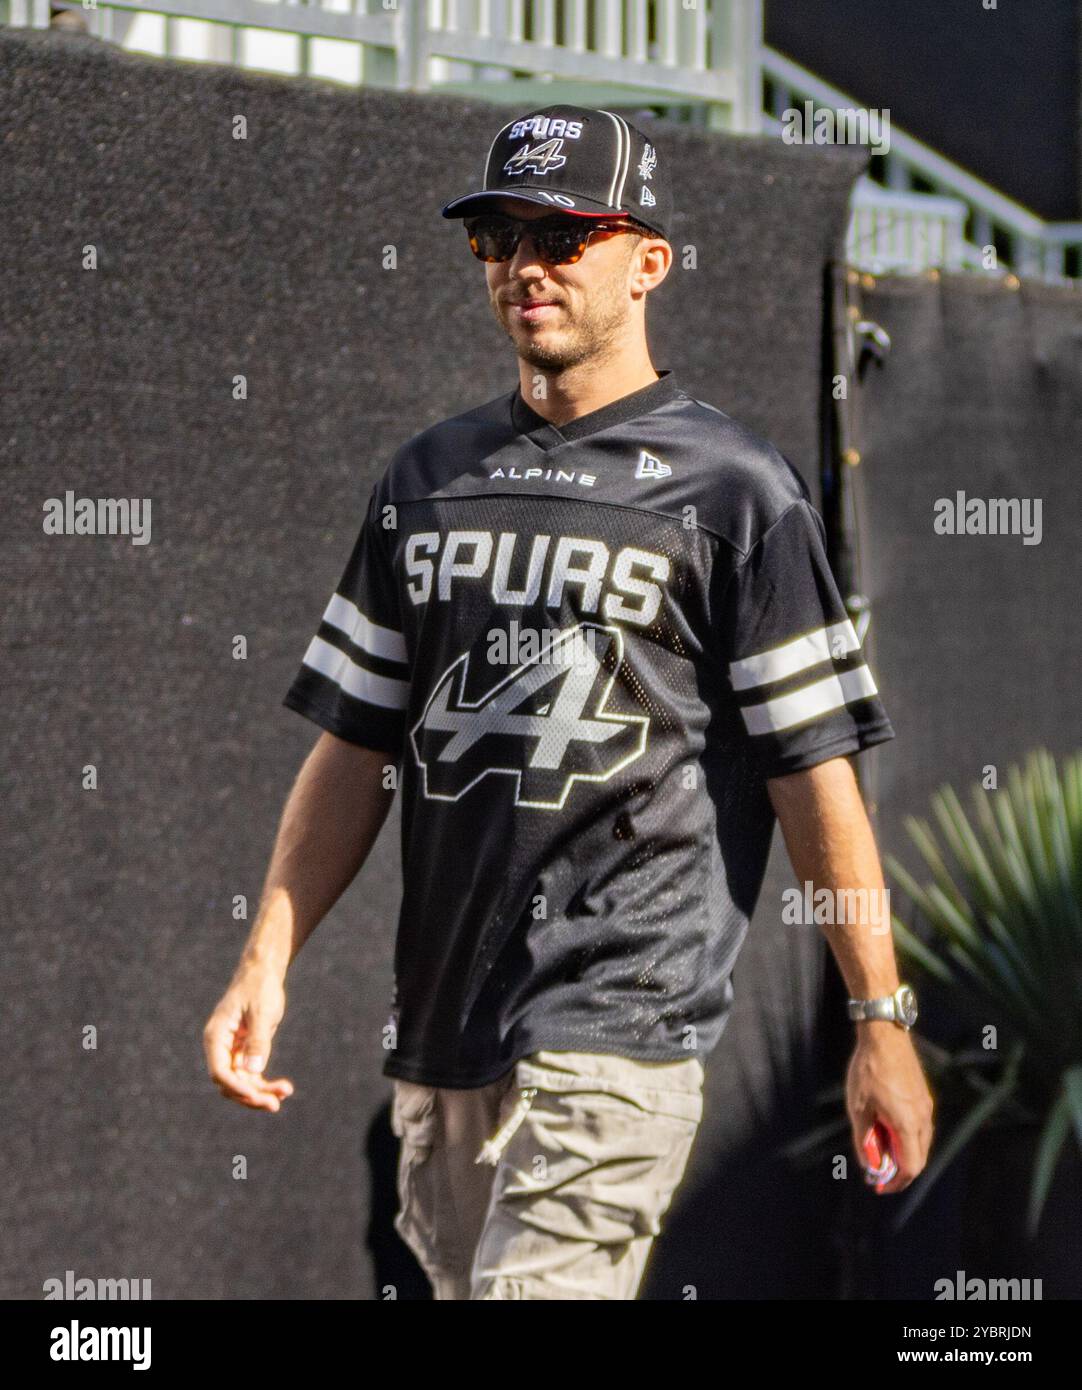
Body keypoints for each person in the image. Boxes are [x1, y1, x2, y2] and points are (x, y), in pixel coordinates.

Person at [203, 104, 934, 1300]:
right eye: (496, 236)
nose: (523, 265)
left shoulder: (738, 493)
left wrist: (879, 1017)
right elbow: (356, 744)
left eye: (562, 233)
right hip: (443, 1033)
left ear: (647, 261)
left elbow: (815, 776)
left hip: (620, 1019)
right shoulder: (427, 479)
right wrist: (265, 959)